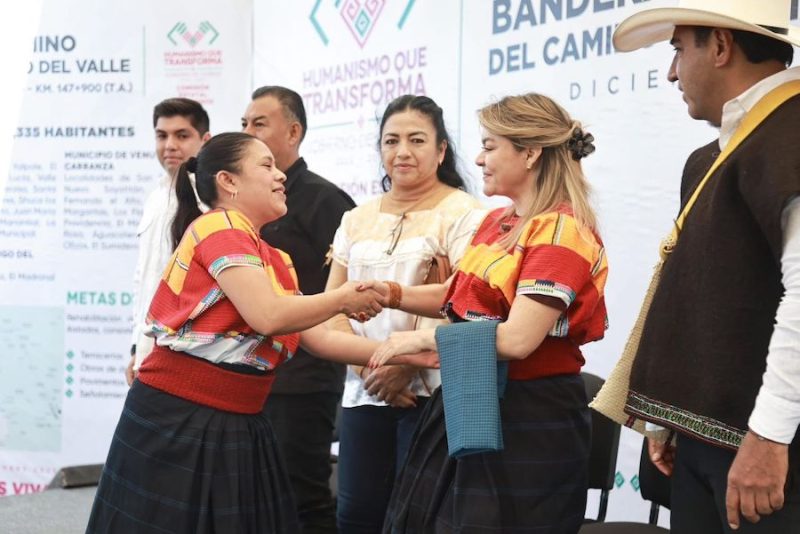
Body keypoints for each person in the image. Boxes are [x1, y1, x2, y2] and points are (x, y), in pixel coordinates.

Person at [86, 132, 436, 533]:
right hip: (182, 416)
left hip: (236, 418)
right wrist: (341, 299)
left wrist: (408, 351)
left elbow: (319, 337)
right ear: (228, 181)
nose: (280, 175)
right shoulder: (218, 228)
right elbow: (267, 316)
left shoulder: (272, 258)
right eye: (266, 166)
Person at [368, 93, 608, 533]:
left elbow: (518, 339)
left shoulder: (562, 230)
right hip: (473, 395)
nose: (478, 159)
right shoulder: (498, 221)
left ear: (530, 153)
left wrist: (422, 339)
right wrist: (389, 293)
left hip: (530, 417)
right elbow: (459, 295)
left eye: (489, 146)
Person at [610, 1, 800, 532]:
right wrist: (672, 415)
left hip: (768, 454)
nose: (672, 72)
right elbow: (710, 293)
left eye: (678, 49)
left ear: (719, 46)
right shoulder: (712, 156)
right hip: (709, 442)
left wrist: (769, 437)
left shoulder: (790, 138)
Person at [325, 94, 483, 533]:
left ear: (441, 150)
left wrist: (406, 362)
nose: (402, 152)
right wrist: (372, 365)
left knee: (422, 518)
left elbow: (468, 304)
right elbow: (331, 307)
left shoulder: (465, 214)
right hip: (365, 388)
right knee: (356, 515)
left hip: (433, 393)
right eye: (391, 141)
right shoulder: (355, 219)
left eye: (417, 140)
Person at [241, 86, 355, 533]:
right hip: (249, 374)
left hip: (304, 378)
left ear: (293, 132)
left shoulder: (326, 201)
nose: (248, 132)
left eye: (259, 124)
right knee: (254, 498)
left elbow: (351, 291)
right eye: (244, 124)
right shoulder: (240, 209)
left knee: (302, 498)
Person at [125, 97, 210, 385]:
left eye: (182, 135)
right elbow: (144, 279)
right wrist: (137, 347)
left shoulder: (211, 201)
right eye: (162, 136)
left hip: (186, 356)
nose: (170, 145)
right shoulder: (156, 197)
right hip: (149, 349)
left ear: (205, 141)